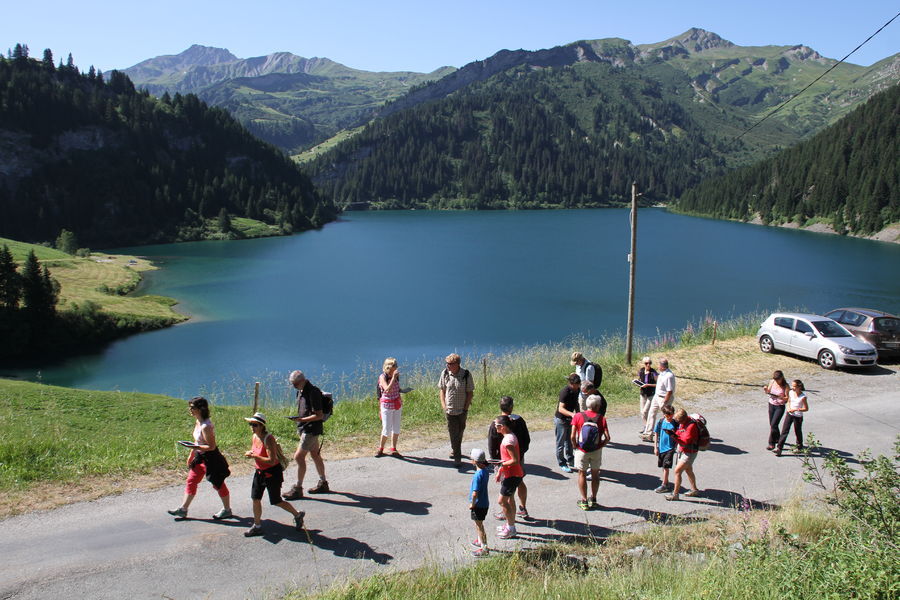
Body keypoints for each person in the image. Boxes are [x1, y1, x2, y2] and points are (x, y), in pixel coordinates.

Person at [168, 396, 232, 519]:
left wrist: (194, 447)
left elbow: (211, 447)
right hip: (199, 457)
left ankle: (227, 509)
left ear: (201, 409)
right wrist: (191, 454)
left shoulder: (206, 426)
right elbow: (197, 441)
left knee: (218, 484)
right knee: (191, 481)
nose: (190, 410)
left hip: (211, 459)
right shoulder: (198, 422)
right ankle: (183, 509)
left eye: (192, 407)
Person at [242, 412, 305, 537]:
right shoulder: (255, 436)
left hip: (272, 474)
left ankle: (297, 515)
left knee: (276, 501)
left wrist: (254, 456)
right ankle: (257, 526)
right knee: (255, 498)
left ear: (261, 426)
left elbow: (271, 461)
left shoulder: (269, 439)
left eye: (254, 425)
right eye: (251, 424)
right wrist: (252, 453)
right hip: (259, 472)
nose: (252, 427)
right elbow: (256, 452)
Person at [283, 370, 329, 500]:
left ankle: (298, 488)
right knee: (315, 455)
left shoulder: (313, 392)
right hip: (305, 428)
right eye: (292, 384)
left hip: (311, 429)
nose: (294, 386)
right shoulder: (301, 391)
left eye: (295, 384)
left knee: (298, 457)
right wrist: (300, 421)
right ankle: (323, 483)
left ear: (303, 380)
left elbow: (319, 415)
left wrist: (301, 420)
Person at [487, 396, 530, 519]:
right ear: (512, 407)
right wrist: (520, 454)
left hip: (503, 461)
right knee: (519, 481)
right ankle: (522, 508)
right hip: (518, 458)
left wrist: (496, 461)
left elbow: (491, 445)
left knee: (506, 488)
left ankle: (507, 512)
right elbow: (526, 440)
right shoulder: (519, 421)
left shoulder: (496, 424)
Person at [570, 395, 610, 510]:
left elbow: (572, 435)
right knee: (595, 474)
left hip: (582, 450)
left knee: (581, 474)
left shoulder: (578, 416)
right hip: (596, 451)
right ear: (597, 406)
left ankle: (584, 500)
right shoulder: (601, 418)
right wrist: (600, 445)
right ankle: (594, 499)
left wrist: (575, 446)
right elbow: (608, 438)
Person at [439, 353, 474, 467]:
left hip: (462, 410)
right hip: (450, 410)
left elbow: (470, 393)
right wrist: (444, 406)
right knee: (453, 433)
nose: (447, 365)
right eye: (447, 363)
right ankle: (457, 458)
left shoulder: (466, 374)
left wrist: (466, 408)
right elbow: (442, 390)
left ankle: (455, 449)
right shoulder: (445, 373)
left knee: (460, 431)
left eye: (450, 364)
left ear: (457, 364)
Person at [493, 415, 524, 540]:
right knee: (510, 500)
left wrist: (501, 465)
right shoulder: (509, 437)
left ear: (503, 427)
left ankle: (511, 528)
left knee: (502, 501)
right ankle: (510, 524)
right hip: (510, 474)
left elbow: (515, 460)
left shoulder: (508, 441)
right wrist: (501, 470)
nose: (495, 427)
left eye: (497, 425)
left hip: (512, 475)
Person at [665, 409, 701, 501]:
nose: (678, 423)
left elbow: (685, 442)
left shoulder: (691, 426)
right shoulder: (684, 423)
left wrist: (674, 437)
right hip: (684, 451)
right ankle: (694, 490)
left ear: (683, 419)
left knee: (677, 471)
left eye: (679, 421)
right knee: (688, 470)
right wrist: (674, 433)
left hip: (689, 452)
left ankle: (675, 494)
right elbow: (680, 432)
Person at [375, 357, 403, 457]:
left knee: (396, 428)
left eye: (396, 365)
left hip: (397, 404)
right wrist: (393, 378)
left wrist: (400, 399)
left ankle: (393, 448)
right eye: (394, 365)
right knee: (386, 429)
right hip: (387, 405)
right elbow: (387, 389)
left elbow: (397, 389)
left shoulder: (395, 376)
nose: (396, 367)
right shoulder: (383, 377)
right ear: (389, 367)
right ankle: (381, 448)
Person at [642, 357, 675, 441]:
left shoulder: (669, 376)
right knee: (651, 413)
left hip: (664, 398)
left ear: (663, 366)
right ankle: (648, 434)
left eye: (659, 365)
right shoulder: (662, 373)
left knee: (666, 416)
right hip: (657, 396)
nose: (658, 366)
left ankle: (669, 434)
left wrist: (665, 401)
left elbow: (669, 391)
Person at [775, 379, 808, 456]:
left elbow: (806, 408)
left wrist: (796, 409)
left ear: (799, 387)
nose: (792, 388)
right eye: (792, 386)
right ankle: (779, 448)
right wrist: (789, 408)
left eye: (794, 386)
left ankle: (799, 446)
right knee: (784, 431)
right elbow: (789, 401)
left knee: (797, 431)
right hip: (790, 414)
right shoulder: (791, 392)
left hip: (798, 416)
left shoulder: (803, 397)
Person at [556, 374, 581, 472]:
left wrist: (578, 413)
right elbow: (560, 409)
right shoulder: (565, 392)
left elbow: (576, 403)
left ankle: (571, 459)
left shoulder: (577, 390)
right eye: (577, 384)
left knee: (569, 441)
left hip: (570, 419)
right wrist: (572, 414)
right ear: (572, 383)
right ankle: (562, 462)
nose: (579, 385)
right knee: (560, 443)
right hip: (561, 420)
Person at [468, 448, 490, 557]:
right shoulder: (485, 471)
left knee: (479, 525)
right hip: (485, 503)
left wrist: (472, 504)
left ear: (474, 461)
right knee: (478, 524)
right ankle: (480, 540)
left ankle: (484, 548)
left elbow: (474, 493)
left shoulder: (477, 475)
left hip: (478, 505)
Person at [652, 404, 677, 493]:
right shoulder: (661, 422)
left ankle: (664, 484)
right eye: (667, 416)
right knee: (663, 466)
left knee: (666, 467)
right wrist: (655, 447)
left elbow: (678, 436)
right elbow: (656, 433)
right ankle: (666, 482)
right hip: (661, 448)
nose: (670, 417)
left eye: (671, 415)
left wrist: (676, 445)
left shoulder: (675, 423)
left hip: (670, 448)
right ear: (664, 415)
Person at [763, 370, 789, 451]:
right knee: (772, 424)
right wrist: (766, 389)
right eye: (775, 379)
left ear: (782, 378)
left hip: (780, 406)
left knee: (774, 424)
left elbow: (787, 398)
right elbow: (768, 391)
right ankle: (778, 438)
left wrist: (782, 397)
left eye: (778, 380)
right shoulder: (772, 382)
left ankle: (771, 443)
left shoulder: (786, 386)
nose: (777, 381)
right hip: (771, 404)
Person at [636, 356, 658, 434]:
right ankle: (646, 427)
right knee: (642, 412)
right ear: (643, 364)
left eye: (650, 363)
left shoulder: (653, 373)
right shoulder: (641, 371)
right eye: (646, 363)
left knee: (645, 411)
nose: (648, 365)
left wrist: (648, 385)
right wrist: (638, 383)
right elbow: (639, 379)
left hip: (651, 395)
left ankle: (648, 429)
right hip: (643, 394)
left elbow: (658, 384)